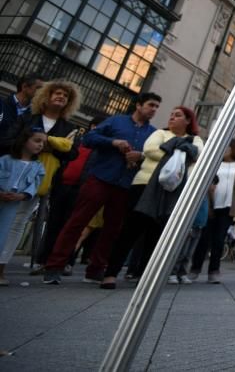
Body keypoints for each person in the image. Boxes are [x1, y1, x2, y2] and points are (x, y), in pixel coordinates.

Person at [42, 92, 161, 285]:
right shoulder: (115, 122)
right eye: (151, 105)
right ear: (139, 105)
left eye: (156, 107)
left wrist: (140, 157)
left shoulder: (153, 134)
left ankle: (96, 269)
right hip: (100, 178)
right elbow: (89, 138)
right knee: (77, 222)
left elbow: (152, 158)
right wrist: (113, 142)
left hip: (125, 185)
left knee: (112, 229)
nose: (154, 110)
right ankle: (55, 266)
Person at [101, 106, 203, 288]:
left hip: (172, 191)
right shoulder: (160, 134)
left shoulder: (195, 140)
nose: (172, 118)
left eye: (177, 115)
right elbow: (149, 150)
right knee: (130, 231)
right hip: (144, 185)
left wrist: (169, 151)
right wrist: (180, 152)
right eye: (171, 114)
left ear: (188, 120)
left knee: (156, 235)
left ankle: (144, 275)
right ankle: (111, 273)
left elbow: (198, 157)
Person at [0, 80, 81, 271]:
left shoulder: (68, 128)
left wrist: (50, 145)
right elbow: (6, 140)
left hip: (40, 179)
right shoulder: (28, 118)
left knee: (19, 221)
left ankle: (1, 266)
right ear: (46, 96)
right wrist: (30, 144)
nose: (61, 97)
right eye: (57, 93)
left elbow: (72, 153)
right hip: (11, 173)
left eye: (65, 95)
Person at [36, 115, 107, 274]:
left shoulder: (102, 148)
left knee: (72, 226)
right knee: (53, 223)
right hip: (62, 186)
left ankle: (66, 262)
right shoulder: (77, 140)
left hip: (81, 189)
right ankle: (44, 260)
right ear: (92, 126)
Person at [189, 139, 235, 283]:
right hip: (210, 204)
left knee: (219, 239)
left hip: (228, 207)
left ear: (233, 149)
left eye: (226, 147)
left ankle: (214, 271)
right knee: (204, 238)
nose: (223, 150)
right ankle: (195, 268)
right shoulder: (214, 162)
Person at [0, 125, 46, 285]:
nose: (40, 145)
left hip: (15, 205)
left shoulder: (38, 166)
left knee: (7, 234)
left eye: (43, 143)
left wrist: (22, 195)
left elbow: (34, 185)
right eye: (37, 140)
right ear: (24, 140)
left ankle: (1, 269)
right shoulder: (5, 160)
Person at [0, 74, 42, 142]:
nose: (41, 92)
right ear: (24, 86)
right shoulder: (3, 104)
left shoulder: (35, 114)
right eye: (38, 88)